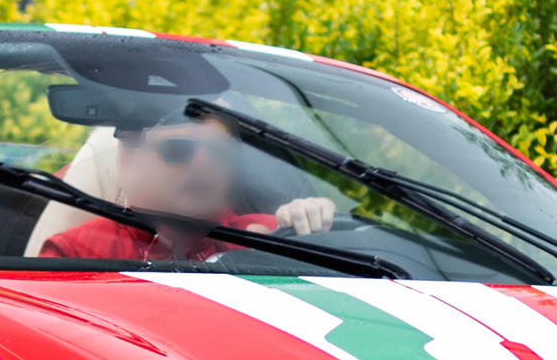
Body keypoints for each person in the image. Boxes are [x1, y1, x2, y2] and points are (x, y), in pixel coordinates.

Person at [38, 112, 336, 261]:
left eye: (220, 154)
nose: (203, 164)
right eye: (178, 150)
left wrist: (313, 224)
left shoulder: (271, 235)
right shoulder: (74, 253)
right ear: (131, 161)